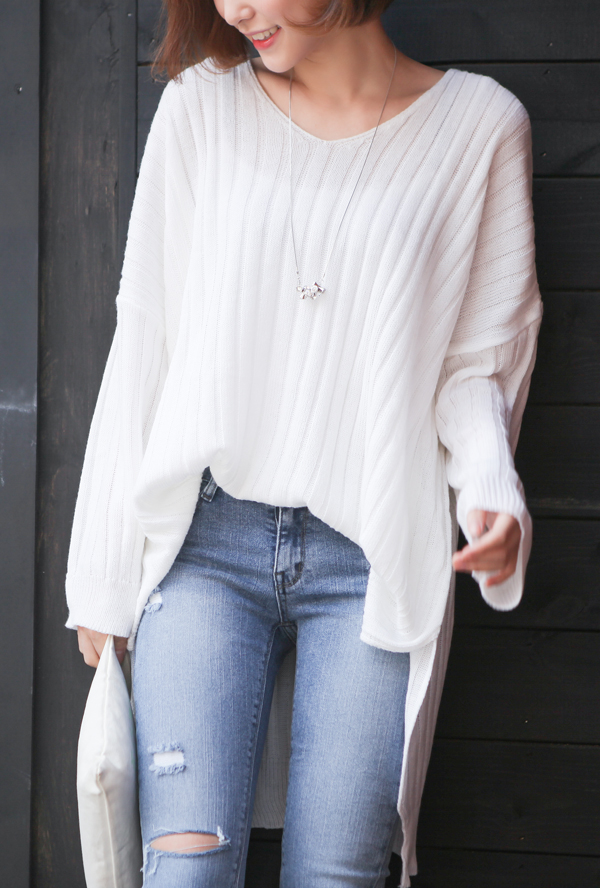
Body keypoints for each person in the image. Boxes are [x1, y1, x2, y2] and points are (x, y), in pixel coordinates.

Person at [67, 0, 543, 884]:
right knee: (184, 873)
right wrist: (101, 576)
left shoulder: (480, 128)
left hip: (372, 556)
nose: (235, 8)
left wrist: (490, 487)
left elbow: (476, 364)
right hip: (204, 545)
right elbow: (146, 337)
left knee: (338, 875)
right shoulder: (201, 107)